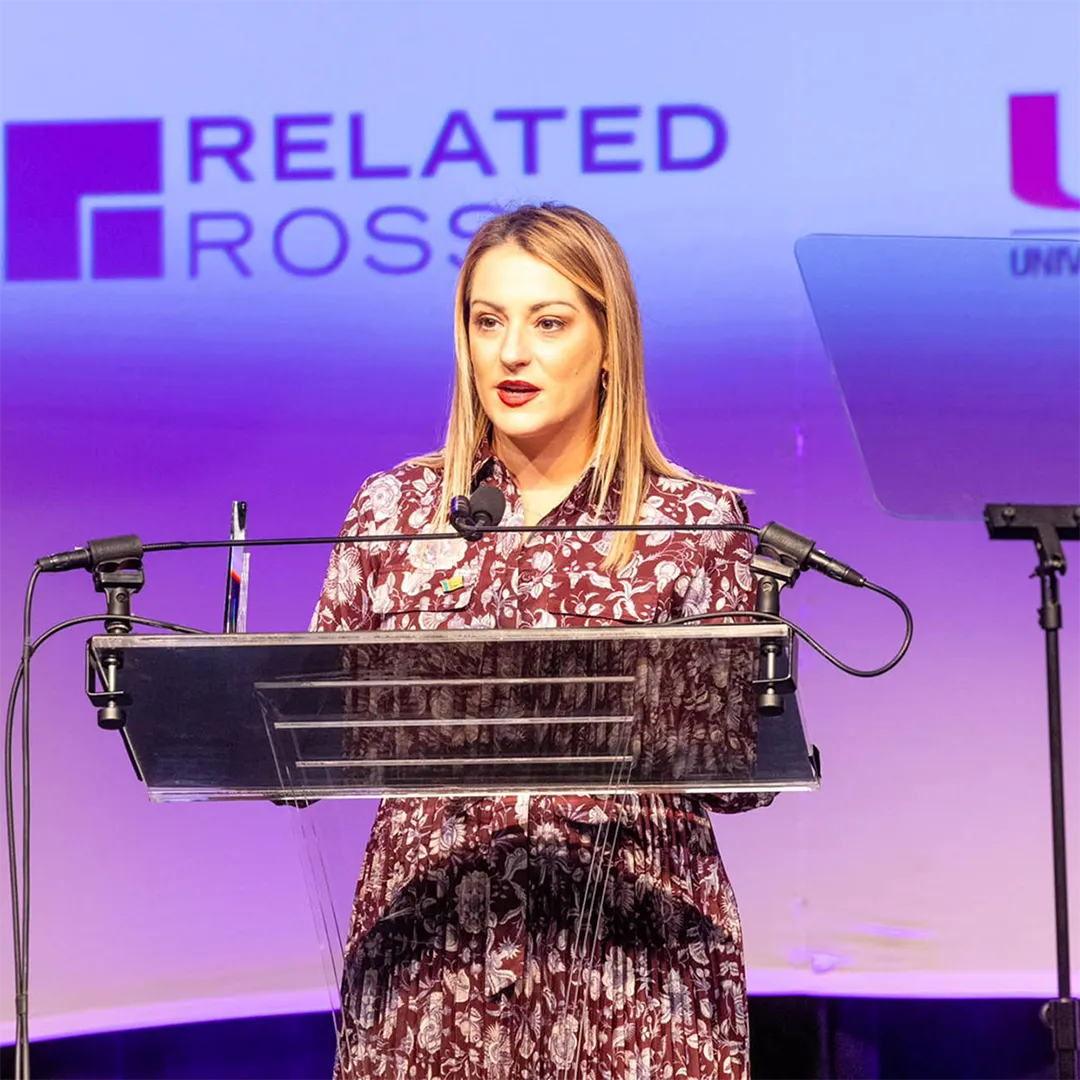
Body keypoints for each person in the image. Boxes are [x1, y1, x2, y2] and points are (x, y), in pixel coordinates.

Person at [312, 204, 773, 1080]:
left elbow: (742, 779)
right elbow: (315, 731)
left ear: (610, 343)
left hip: (635, 967)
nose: (511, 352)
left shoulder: (692, 523)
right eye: (488, 322)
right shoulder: (395, 511)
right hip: (431, 963)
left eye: (548, 322)